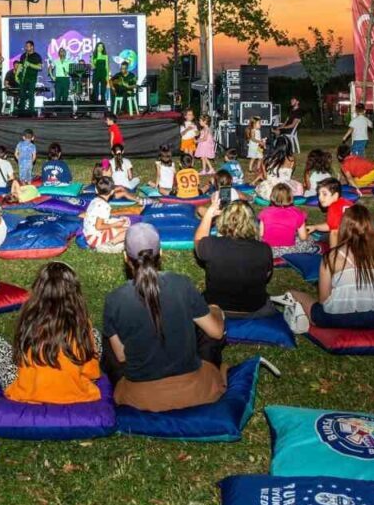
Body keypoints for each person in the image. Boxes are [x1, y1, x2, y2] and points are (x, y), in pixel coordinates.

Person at [102, 224, 227, 412]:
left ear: (125, 257)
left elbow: (121, 355)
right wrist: (216, 310)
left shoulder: (115, 299)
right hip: (194, 390)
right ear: (161, 252)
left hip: (139, 397)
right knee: (205, 328)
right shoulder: (182, 284)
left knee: (108, 342)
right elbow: (216, 333)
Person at [0, 262, 102, 404]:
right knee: (95, 335)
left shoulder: (29, 319)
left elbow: (20, 357)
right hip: (76, 392)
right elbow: (91, 373)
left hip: (28, 391)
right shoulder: (83, 324)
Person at [287, 205, 374, 329]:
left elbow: (324, 300)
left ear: (344, 227)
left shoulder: (332, 257)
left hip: (337, 319)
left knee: (294, 293)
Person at [194, 196, 274, 316]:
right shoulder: (264, 249)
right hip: (255, 308)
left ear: (223, 220)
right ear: (252, 223)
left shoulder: (211, 245)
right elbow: (267, 274)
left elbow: (198, 240)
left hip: (216, 307)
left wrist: (209, 213)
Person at [258, 183, 309, 256]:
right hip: (289, 250)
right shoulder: (298, 213)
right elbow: (303, 237)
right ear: (290, 197)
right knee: (309, 240)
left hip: (268, 250)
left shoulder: (265, 212)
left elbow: (261, 234)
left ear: (272, 196)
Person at [83, 176, 129, 253]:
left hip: (89, 234)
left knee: (123, 226)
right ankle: (110, 244)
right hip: (95, 238)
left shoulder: (94, 200)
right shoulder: (104, 206)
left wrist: (116, 222)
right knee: (128, 231)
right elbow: (99, 226)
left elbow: (98, 220)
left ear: (96, 190)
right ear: (112, 192)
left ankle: (112, 243)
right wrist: (115, 224)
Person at [307, 178, 353, 249]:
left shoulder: (333, 207)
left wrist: (333, 253)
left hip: (348, 239)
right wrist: (315, 227)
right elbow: (332, 225)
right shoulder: (346, 202)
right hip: (359, 237)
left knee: (323, 238)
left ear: (335, 196)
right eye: (319, 194)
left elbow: (334, 232)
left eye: (324, 194)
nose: (320, 197)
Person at [15, 41, 43, 114]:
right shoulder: (23, 56)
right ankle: (21, 111)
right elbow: (20, 66)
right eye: (26, 46)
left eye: (28, 46)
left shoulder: (37, 56)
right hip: (23, 78)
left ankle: (31, 110)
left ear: (32, 47)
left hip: (32, 78)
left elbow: (40, 67)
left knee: (31, 95)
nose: (26, 48)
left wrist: (30, 64)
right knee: (22, 95)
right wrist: (16, 75)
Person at [92, 42, 110, 106]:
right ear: (96, 47)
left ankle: (103, 106)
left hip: (103, 74)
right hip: (96, 74)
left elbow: (107, 67)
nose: (100, 48)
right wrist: (92, 62)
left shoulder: (105, 56)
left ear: (103, 48)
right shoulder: (94, 56)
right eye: (99, 46)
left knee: (103, 91)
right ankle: (95, 106)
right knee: (95, 91)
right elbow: (93, 67)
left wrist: (107, 77)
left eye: (102, 46)